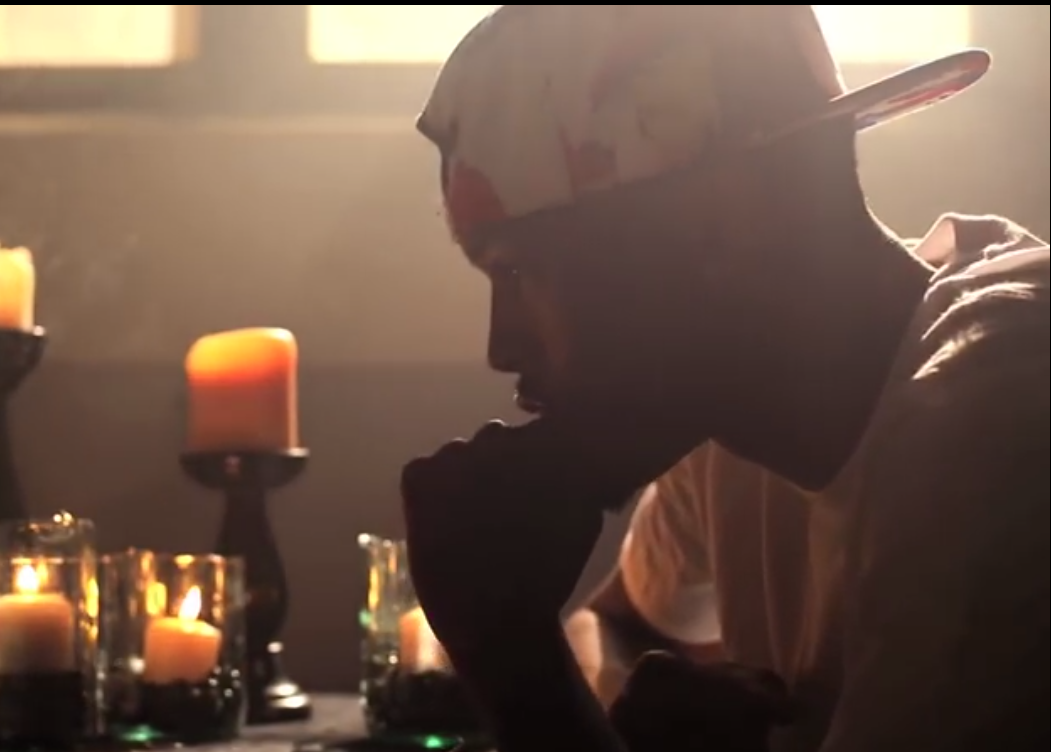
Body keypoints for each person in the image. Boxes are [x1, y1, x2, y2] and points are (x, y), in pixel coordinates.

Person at [398, 6, 1048, 752]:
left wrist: (514, 660)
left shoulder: (999, 437)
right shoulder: (729, 418)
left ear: (724, 220)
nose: (502, 347)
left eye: (518, 271)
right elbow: (616, 624)